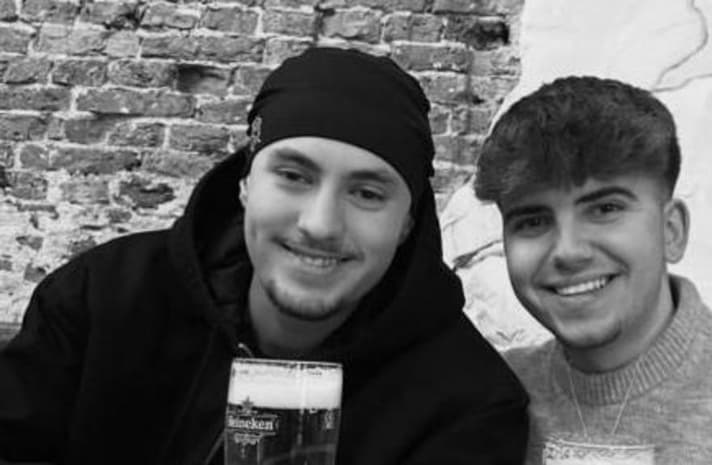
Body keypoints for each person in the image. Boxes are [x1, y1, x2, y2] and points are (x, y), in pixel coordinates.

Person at [0, 47, 528, 465]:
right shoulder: (104, 298)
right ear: (246, 184)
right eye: (294, 176)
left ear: (407, 222)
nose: (320, 224)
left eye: (367, 193)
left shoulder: (466, 403)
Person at [473, 76, 712, 464]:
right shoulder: (486, 400)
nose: (568, 251)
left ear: (672, 231)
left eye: (605, 209)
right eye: (532, 221)